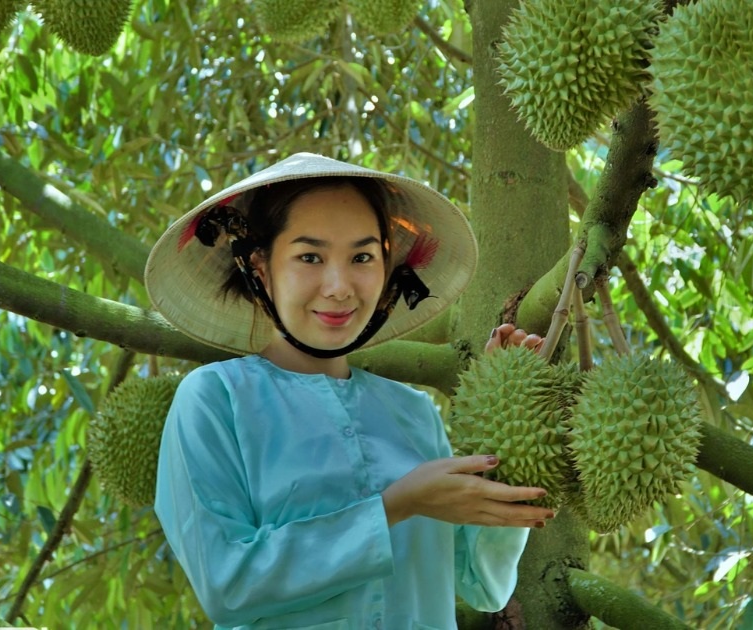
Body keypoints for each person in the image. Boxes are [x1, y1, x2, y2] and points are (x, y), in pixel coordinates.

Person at [144, 153, 554, 630]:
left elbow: (484, 585)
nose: (339, 288)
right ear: (260, 267)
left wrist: (505, 413)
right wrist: (397, 504)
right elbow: (227, 585)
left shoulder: (414, 413)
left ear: (386, 269)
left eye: (361, 258)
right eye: (309, 257)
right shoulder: (215, 400)